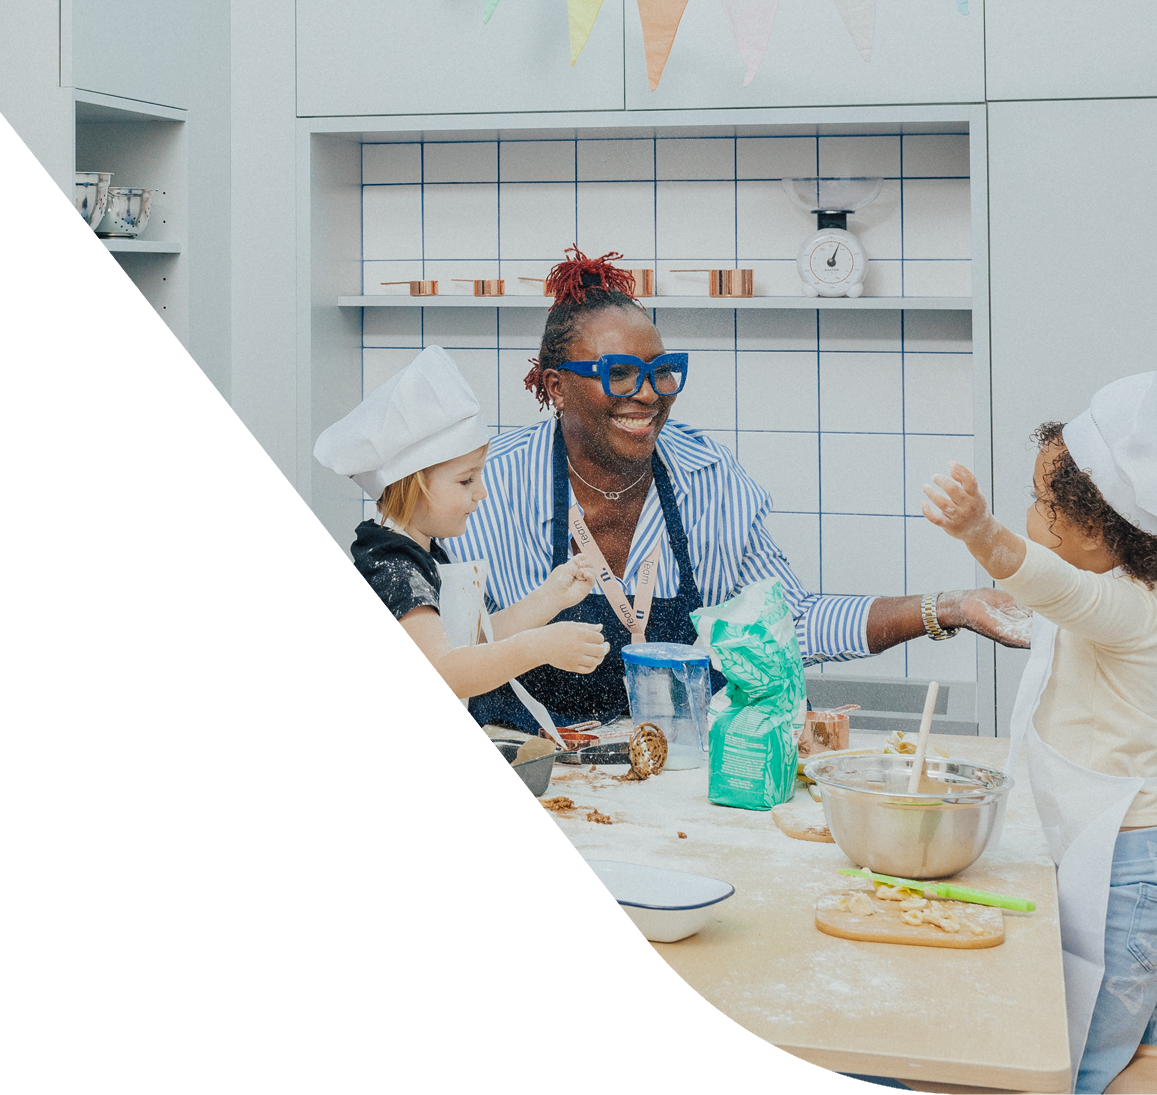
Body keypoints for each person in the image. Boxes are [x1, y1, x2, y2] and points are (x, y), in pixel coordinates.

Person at [211, 248, 1032, 726]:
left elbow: (787, 622)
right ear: (552, 385)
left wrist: (941, 609)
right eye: (618, 374)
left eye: (662, 371)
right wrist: (317, 594)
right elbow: (417, 632)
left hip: (675, 789)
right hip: (517, 784)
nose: (649, 393)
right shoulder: (473, 488)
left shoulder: (708, 481)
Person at [274, 345, 606, 1095]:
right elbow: (448, 671)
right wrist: (542, 647)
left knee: (431, 942)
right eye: (465, 479)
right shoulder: (390, 570)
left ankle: (434, 1074)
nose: (480, 493)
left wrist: (553, 597)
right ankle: (425, 1078)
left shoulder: (421, 557)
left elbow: (473, 641)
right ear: (412, 484)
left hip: (398, 788)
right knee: (426, 941)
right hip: (355, 800)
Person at [921, 371, 1157, 1095]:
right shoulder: (1124, 593)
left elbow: (1055, 588)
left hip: (1127, 864)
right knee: (1111, 1037)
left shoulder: (1130, 610)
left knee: (1079, 1052)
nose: (1026, 513)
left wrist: (978, 532)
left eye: (1036, 503)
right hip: (1101, 845)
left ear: (1096, 527)